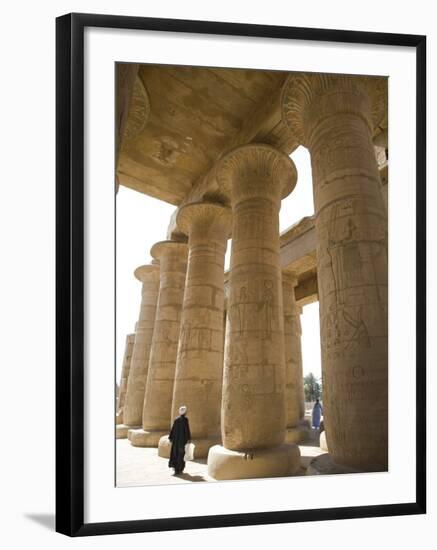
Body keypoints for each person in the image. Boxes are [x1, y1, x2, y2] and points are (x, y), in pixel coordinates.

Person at [168, 405, 191, 475]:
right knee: (181, 455)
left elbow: (173, 429)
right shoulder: (185, 420)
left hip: (176, 441)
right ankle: (179, 469)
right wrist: (189, 439)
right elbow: (187, 430)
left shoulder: (176, 419)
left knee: (175, 454)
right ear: (185, 412)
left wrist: (170, 438)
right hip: (182, 441)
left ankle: (176, 468)